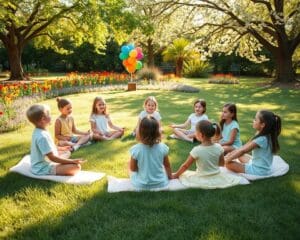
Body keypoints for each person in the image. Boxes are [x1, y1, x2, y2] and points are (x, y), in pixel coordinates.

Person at [172, 120, 241, 188]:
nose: (195, 133)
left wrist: (176, 175)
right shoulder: (219, 147)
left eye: (196, 132)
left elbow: (185, 166)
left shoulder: (197, 150)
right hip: (216, 176)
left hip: (202, 177)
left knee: (185, 176)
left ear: (201, 135)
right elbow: (221, 164)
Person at [26, 104, 85, 176]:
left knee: (67, 152)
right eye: (49, 114)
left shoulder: (40, 131)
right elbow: (52, 158)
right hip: (42, 168)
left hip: (47, 160)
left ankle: (61, 162)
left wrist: (61, 148)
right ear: (43, 119)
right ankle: (59, 165)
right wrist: (72, 161)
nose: (51, 116)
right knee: (76, 167)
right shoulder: (42, 137)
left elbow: (49, 147)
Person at [225, 110, 281, 176]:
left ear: (262, 125)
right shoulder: (266, 135)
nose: (253, 121)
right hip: (259, 165)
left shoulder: (261, 139)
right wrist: (231, 154)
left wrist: (226, 160)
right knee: (239, 155)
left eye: (255, 119)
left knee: (228, 164)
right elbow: (244, 147)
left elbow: (243, 151)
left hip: (259, 171)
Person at [129, 116, 172, 190]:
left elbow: (133, 169)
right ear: (157, 132)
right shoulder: (163, 147)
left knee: (129, 165)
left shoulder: (136, 149)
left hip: (141, 184)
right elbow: (167, 165)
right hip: (161, 183)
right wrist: (170, 177)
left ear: (140, 132)